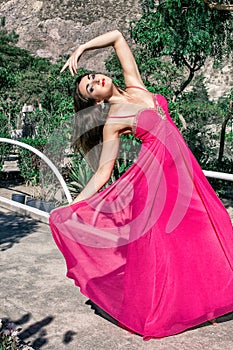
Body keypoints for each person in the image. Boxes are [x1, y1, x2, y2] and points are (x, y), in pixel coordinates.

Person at [49, 30, 233, 339]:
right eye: (90, 87)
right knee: (169, 250)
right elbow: (102, 173)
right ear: (94, 101)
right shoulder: (113, 122)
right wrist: (73, 206)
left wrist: (83, 46)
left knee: (206, 232)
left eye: (93, 77)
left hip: (186, 175)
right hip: (157, 187)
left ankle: (212, 296)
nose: (96, 82)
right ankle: (174, 308)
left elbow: (118, 37)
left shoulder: (136, 85)